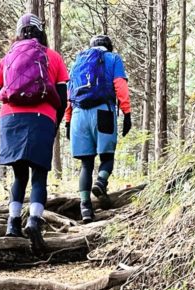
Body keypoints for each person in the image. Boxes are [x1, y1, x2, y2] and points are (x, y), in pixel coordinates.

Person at [0, 14, 68, 252]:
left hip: (11, 119)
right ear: (41, 32)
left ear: (19, 32)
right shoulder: (53, 57)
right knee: (39, 176)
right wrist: (54, 125)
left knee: (19, 176)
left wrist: (1, 127)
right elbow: (63, 100)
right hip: (42, 119)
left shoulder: (7, 58)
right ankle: (34, 221)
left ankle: (12, 223)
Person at [64, 35, 132, 222]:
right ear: (109, 47)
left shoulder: (78, 61)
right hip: (103, 111)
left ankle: (85, 208)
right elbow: (120, 85)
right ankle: (101, 182)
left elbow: (69, 93)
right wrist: (127, 113)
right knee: (107, 157)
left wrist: (68, 120)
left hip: (79, 114)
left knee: (86, 164)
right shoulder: (113, 58)